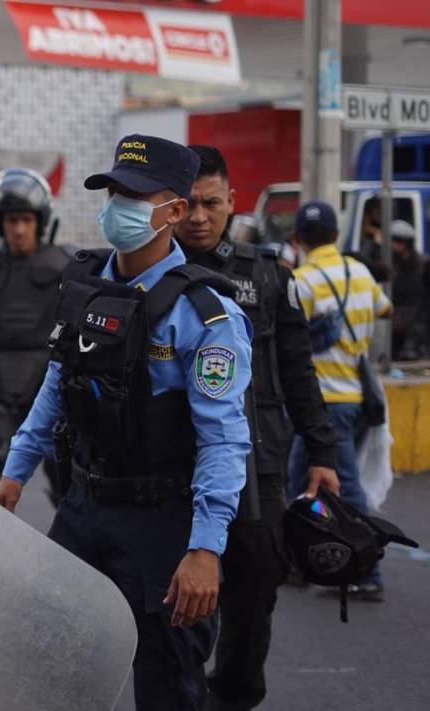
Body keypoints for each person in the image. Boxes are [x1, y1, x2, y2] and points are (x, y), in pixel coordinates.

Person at [0, 135, 253, 711]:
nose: (119, 206)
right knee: (47, 661)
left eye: (136, 195)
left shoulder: (208, 316)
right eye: (114, 191)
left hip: (162, 521)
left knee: (166, 680)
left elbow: (224, 438)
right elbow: (57, 387)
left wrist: (206, 548)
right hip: (83, 507)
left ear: (175, 211)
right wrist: (15, 472)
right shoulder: (87, 287)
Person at [173, 145, 339, 711]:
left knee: (254, 591)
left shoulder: (268, 275)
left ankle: (234, 697)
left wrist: (323, 452)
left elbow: (298, 370)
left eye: (211, 204)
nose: (199, 216)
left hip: (257, 464)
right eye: (189, 204)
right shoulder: (147, 271)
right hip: (172, 464)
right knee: (175, 600)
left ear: (232, 202)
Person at [288, 200, 392, 601]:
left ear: (298, 239)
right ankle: (293, 561)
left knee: (344, 486)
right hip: (355, 398)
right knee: (298, 480)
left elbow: (290, 338)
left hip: (322, 403)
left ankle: (368, 572)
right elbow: (386, 309)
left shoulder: (302, 280)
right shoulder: (361, 272)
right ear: (335, 236)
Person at [0, 168, 68, 498]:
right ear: (0, 223)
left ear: (40, 220)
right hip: (2, 381)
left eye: (26, 219)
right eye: (11, 221)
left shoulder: (66, 267)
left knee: (68, 479)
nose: (19, 229)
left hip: (52, 380)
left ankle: (72, 551)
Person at [388, 220, 425, 358]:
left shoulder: (421, 265)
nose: (392, 245)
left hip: (414, 325)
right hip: (391, 324)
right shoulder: (388, 265)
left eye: (397, 241)